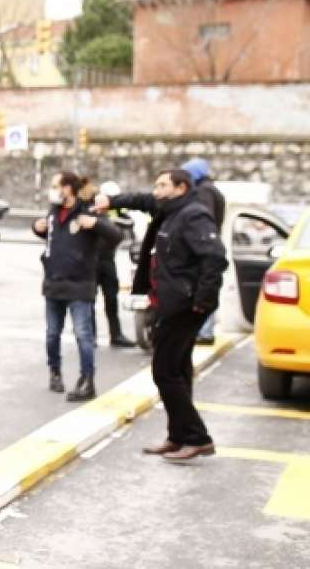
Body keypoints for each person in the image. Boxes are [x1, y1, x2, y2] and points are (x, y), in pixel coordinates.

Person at [94, 169, 228, 461]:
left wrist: (201, 301)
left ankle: (197, 437)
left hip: (184, 305)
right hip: (170, 302)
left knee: (164, 371)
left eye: (162, 185)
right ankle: (178, 436)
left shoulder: (194, 215)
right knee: (178, 370)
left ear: (181, 188)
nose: (156, 190)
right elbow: (141, 200)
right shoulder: (170, 209)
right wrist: (112, 200)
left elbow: (215, 257)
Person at [33, 172, 122, 401]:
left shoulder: (88, 211)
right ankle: (55, 372)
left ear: (68, 189)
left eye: (56, 186)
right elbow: (55, 240)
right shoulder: (53, 212)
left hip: (80, 285)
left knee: (83, 335)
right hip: (53, 283)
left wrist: (95, 224)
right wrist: (38, 228)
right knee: (52, 334)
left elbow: (116, 236)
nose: (52, 190)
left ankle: (87, 380)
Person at [181, 158, 226, 345]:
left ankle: (205, 330)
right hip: (210, 244)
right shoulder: (213, 190)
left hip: (203, 247)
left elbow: (201, 219)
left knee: (204, 286)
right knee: (208, 284)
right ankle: (205, 329)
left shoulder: (204, 192)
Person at [91, 181, 135, 348]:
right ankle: (90, 336)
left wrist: (112, 220)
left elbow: (129, 223)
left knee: (111, 298)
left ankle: (116, 335)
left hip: (108, 259)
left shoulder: (117, 210)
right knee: (89, 300)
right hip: (92, 260)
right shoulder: (92, 209)